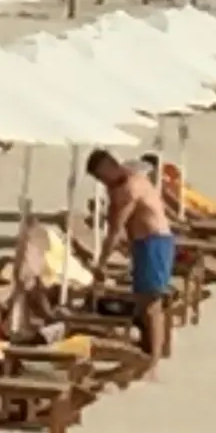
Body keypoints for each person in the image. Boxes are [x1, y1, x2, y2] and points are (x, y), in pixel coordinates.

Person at [86, 147, 176, 367]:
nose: (102, 182)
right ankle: (153, 352)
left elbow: (116, 228)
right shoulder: (123, 184)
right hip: (144, 243)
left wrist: (102, 263)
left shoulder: (131, 186)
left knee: (151, 304)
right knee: (144, 301)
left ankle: (153, 361)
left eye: (101, 176)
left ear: (109, 168)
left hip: (154, 243)